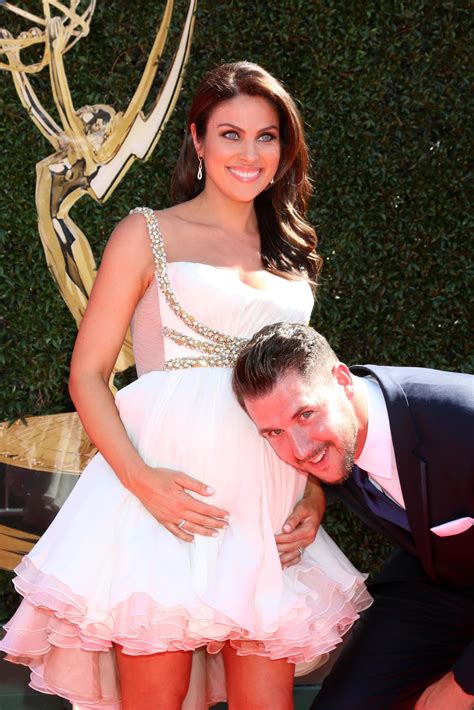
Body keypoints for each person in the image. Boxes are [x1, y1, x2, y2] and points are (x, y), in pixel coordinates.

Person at [0, 63, 371, 710]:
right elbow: (86, 376)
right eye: (231, 134)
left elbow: (308, 400)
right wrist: (145, 485)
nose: (249, 153)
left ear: (284, 149)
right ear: (197, 141)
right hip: (162, 513)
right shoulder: (145, 233)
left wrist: (312, 493)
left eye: (267, 136)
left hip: (267, 521)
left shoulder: (296, 256)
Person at [232, 322, 474, 710]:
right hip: (433, 587)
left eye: (306, 414)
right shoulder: (333, 439)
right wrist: (314, 495)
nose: (299, 448)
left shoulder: (462, 421)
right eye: (274, 432)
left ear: (342, 380)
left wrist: (461, 687)